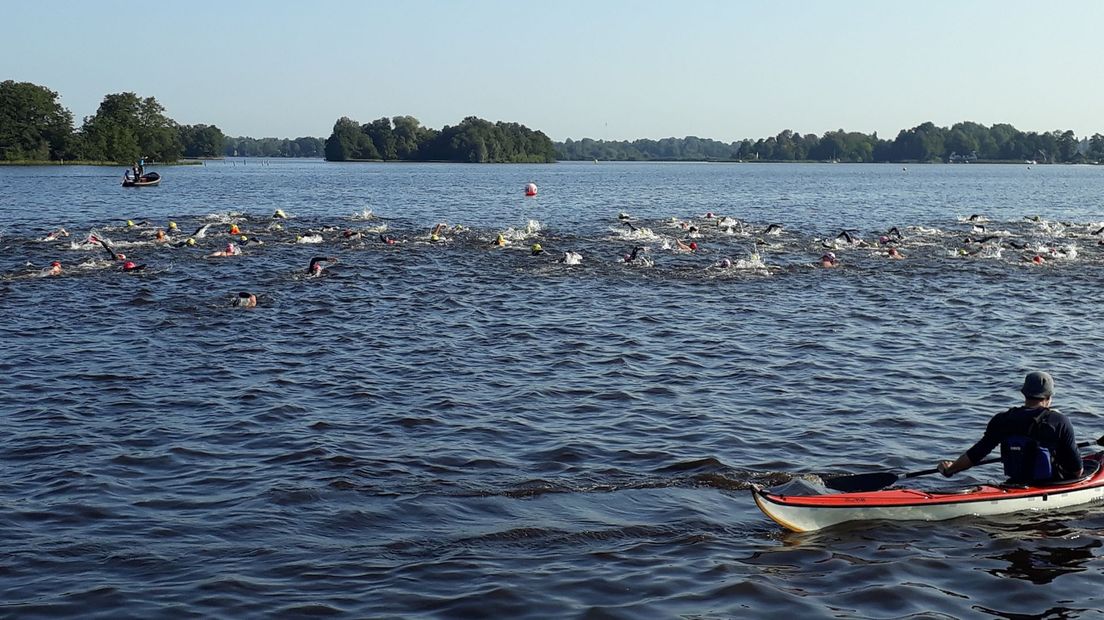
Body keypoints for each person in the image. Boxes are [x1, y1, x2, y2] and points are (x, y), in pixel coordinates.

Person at [937, 372, 1083, 483]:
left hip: (1015, 482)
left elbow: (976, 454)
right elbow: (1077, 471)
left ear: (1024, 393)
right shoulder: (1059, 420)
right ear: (1049, 397)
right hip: (1049, 485)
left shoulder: (1002, 419)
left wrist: (951, 469)